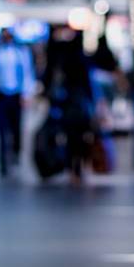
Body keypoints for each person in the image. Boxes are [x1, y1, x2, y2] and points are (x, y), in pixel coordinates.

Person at [0, 29, 36, 177]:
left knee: (16, 127)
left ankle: (16, 153)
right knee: (2, 128)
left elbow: (28, 73)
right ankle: (3, 161)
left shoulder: (21, 53)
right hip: (0, 95)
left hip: (16, 95)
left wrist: (26, 93)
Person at [43, 29, 95, 184]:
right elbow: (88, 85)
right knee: (80, 138)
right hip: (79, 105)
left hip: (67, 105)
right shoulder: (82, 60)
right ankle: (78, 167)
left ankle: (71, 166)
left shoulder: (62, 60)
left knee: (70, 137)